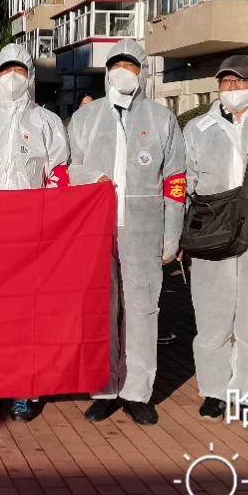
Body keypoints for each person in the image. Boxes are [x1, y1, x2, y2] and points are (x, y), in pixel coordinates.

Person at [66, 39, 185, 426]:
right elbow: (69, 168)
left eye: (130, 66)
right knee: (101, 309)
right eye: (116, 65)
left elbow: (175, 180)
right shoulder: (86, 118)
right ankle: (103, 388)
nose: (123, 72)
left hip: (143, 228)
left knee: (142, 309)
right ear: (106, 72)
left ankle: (137, 391)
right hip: (96, 228)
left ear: (142, 72)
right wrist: (93, 177)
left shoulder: (162, 119)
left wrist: (172, 234)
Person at [0, 43, 70, 422]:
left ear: (31, 76)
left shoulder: (47, 122)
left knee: (26, 314)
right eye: (6, 70)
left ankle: (23, 389)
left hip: (30, 235)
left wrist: (50, 222)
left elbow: (59, 174)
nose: (13, 78)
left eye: (20, 71)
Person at [182, 55, 248, 422]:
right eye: (226, 82)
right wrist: (183, 233)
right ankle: (214, 390)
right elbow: (185, 181)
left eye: (240, 81)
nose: (232, 88)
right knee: (212, 318)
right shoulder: (197, 128)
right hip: (210, 234)